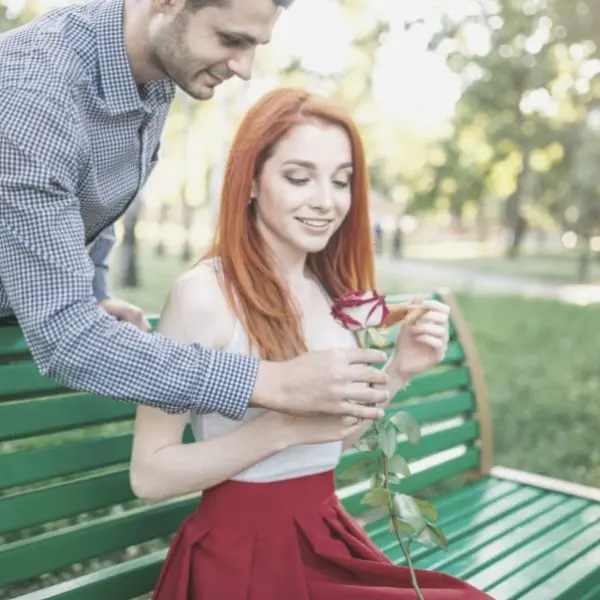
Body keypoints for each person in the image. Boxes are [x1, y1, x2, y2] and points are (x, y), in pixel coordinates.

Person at [130, 88, 493, 599]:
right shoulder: (204, 295)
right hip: (242, 558)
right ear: (251, 180)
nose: (326, 200)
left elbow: (324, 448)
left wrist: (399, 372)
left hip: (324, 535)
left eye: (341, 181)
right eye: (299, 178)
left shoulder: (332, 292)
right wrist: (281, 427)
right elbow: (149, 474)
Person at [0, 0, 389, 423]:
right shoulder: (35, 95)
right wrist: (274, 382)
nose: (245, 68)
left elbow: (93, 185)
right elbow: (67, 340)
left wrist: (94, 289)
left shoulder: (158, 65)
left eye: (255, 44)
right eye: (231, 40)